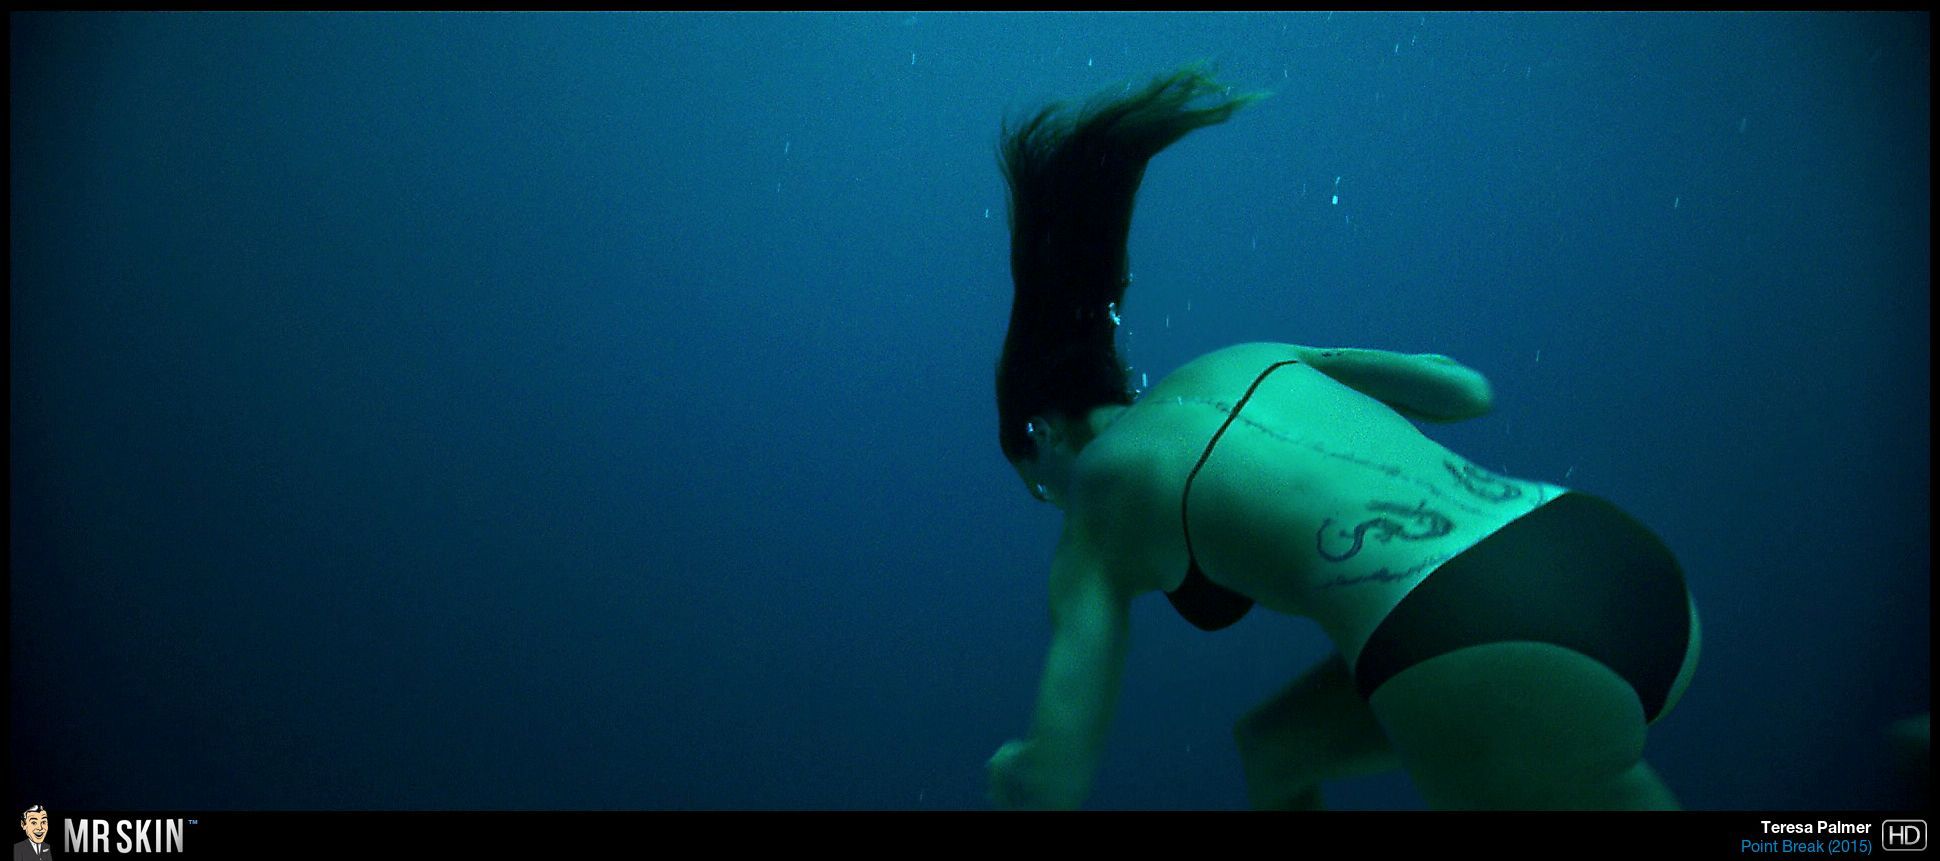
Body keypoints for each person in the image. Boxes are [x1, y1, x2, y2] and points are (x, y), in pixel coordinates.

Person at [984, 65, 1700, 811]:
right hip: (1604, 557)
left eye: (1040, 490)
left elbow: (1056, 784)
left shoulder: (1100, 494)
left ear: (1044, 436)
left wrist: (1018, 772)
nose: (1058, 505)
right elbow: (1463, 392)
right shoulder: (1248, 356)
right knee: (1275, 752)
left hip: (1477, 635)